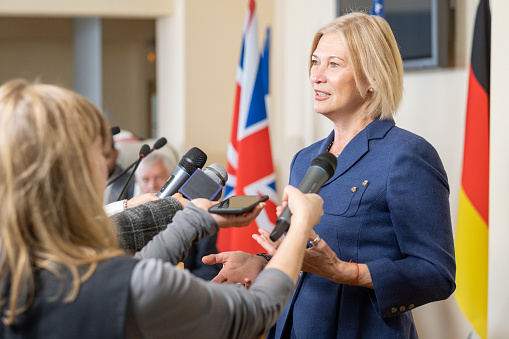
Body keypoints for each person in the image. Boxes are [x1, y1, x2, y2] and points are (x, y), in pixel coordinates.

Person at [0, 79, 324, 338]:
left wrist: (195, 219)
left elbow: (127, 277)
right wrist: (298, 227)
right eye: (101, 152)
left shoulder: (19, 264)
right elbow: (256, 310)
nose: (107, 163)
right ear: (76, 169)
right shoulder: (131, 286)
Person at [203, 12, 456, 338]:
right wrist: (262, 262)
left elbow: (437, 274)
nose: (316, 76)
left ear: (372, 78)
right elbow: (305, 254)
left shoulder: (407, 155)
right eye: (314, 62)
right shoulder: (306, 159)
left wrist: (346, 272)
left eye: (334, 64)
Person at [134, 152, 222, 280]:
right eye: (146, 179)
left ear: (175, 178)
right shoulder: (130, 218)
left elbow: (210, 269)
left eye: (158, 177)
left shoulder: (196, 211)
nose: (152, 185)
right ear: (137, 182)